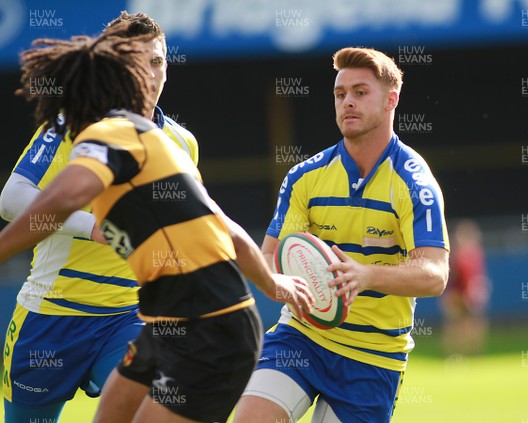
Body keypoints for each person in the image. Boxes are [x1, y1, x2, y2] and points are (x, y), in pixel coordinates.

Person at [0, 25, 313, 423]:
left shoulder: (114, 133)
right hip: (160, 320)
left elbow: (64, 197)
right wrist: (273, 283)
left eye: (157, 61)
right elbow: (223, 226)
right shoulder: (139, 136)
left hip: (207, 330)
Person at [234, 47, 450, 423]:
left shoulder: (415, 183)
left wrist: (366, 276)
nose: (347, 102)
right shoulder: (305, 177)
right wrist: (287, 290)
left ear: (390, 100)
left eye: (360, 92)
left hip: (372, 356)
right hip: (302, 338)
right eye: (340, 94)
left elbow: (435, 274)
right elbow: (268, 259)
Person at [0, 12, 198, 423]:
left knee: (151, 408)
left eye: (159, 60)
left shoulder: (182, 142)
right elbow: (12, 199)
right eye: (138, 61)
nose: (152, 72)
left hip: (130, 315)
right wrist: (93, 228)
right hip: (51, 317)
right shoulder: (69, 125)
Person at [440, 219, 490, 357]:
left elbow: (478, 275)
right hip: (457, 295)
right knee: (454, 325)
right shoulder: (455, 255)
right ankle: (453, 354)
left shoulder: (475, 253)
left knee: (474, 324)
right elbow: (452, 276)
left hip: (471, 294)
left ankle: (472, 353)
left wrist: (477, 290)